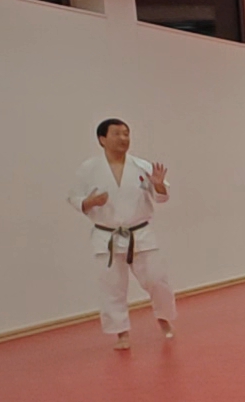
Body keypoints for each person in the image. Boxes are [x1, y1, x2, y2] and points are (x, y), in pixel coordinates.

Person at [69, 118, 178, 351]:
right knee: (112, 287)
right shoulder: (88, 169)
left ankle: (164, 318)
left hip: (141, 233)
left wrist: (158, 185)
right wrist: (90, 202)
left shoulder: (141, 166)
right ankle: (121, 333)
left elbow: (162, 196)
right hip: (106, 237)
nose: (123, 138)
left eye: (126, 134)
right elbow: (74, 198)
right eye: (117, 134)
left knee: (157, 280)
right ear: (102, 139)